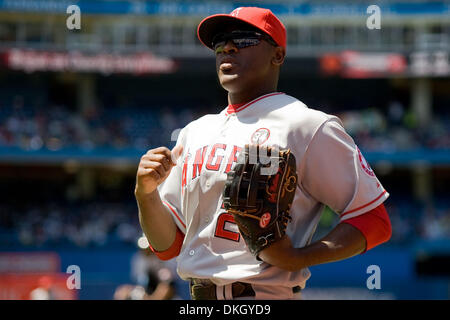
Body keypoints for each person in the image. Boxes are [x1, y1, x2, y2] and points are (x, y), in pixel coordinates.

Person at [135, 7, 392, 300]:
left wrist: (298, 258)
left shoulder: (307, 125)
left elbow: (374, 221)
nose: (227, 48)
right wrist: (145, 194)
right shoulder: (194, 131)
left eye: (244, 40)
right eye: (220, 43)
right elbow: (167, 246)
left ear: (278, 55)